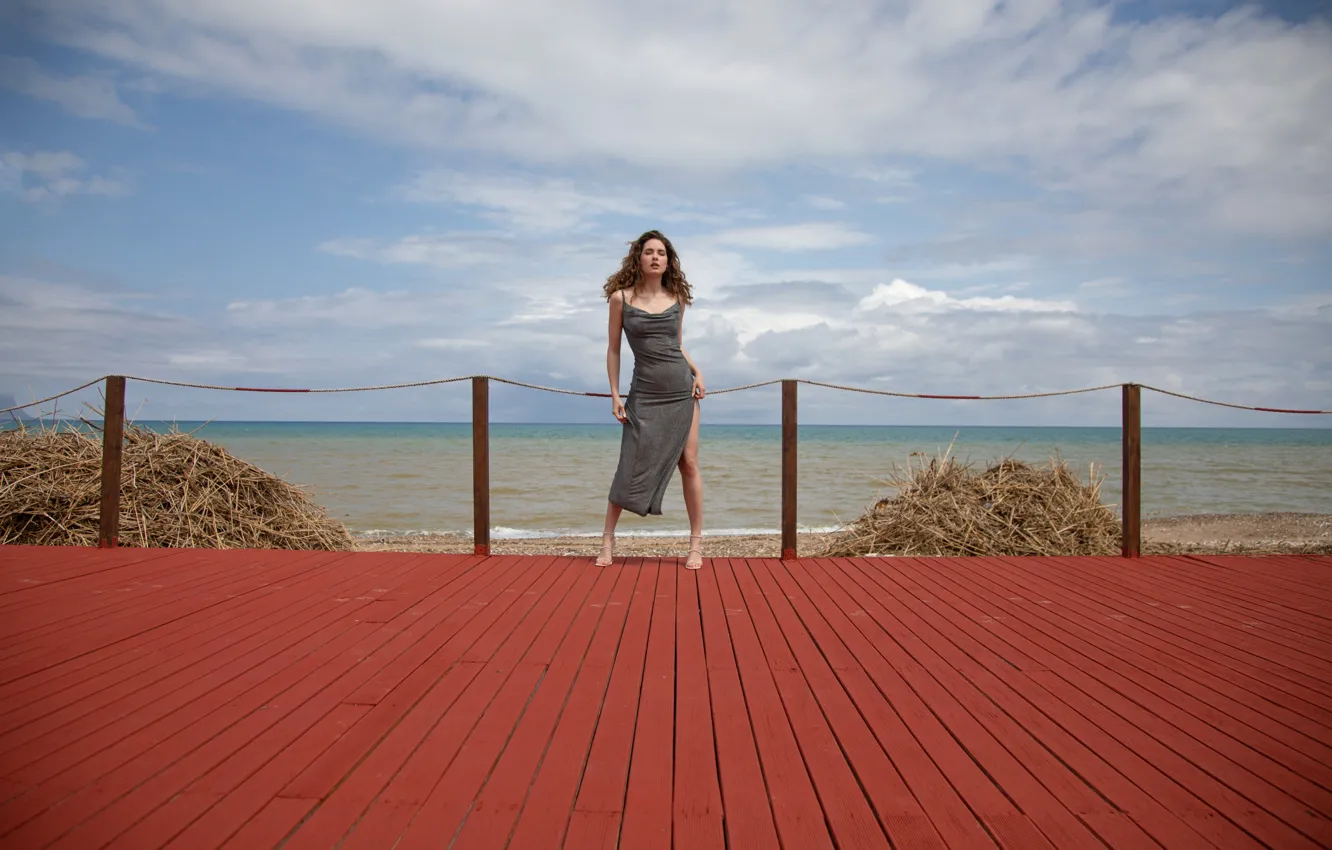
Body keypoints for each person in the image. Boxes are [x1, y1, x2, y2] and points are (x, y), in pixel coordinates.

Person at [597, 230, 705, 570]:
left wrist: (697, 371)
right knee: (629, 464)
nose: (655, 257)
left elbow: (676, 344)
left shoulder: (677, 299)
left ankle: (696, 545)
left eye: (661, 253)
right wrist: (615, 394)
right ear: (639, 258)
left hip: (681, 391)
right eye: (649, 252)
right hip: (643, 392)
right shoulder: (621, 298)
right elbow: (613, 348)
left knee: (688, 463)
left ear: (668, 260)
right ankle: (606, 541)